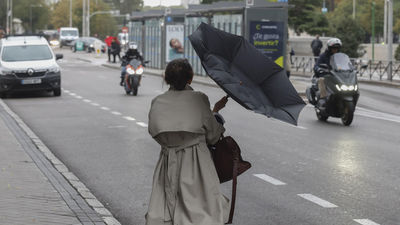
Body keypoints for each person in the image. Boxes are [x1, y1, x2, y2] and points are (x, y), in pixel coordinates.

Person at [146, 58, 230, 225]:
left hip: (168, 161)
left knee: (166, 208)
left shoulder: (157, 102)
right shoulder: (199, 99)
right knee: (200, 211)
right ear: (190, 79)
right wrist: (216, 112)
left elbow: (154, 131)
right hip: (196, 163)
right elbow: (213, 135)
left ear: (166, 78)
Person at [312, 37, 342, 107]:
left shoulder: (339, 57)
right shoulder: (323, 56)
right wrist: (319, 69)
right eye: (333, 48)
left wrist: (352, 69)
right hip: (325, 75)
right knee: (321, 80)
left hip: (336, 76)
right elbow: (316, 65)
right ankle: (323, 99)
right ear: (329, 48)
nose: (335, 50)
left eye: (337, 48)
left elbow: (346, 64)